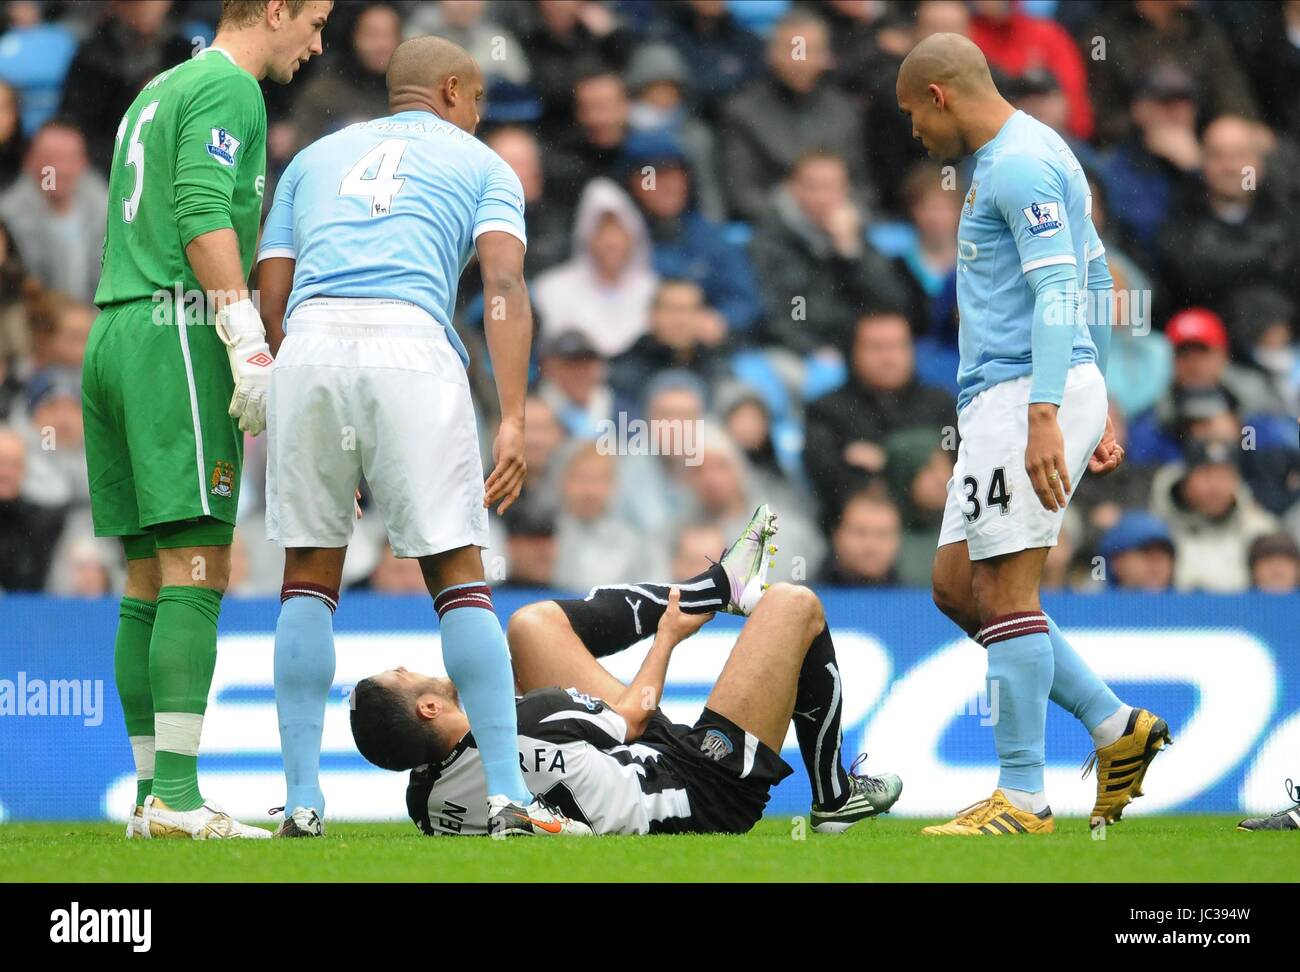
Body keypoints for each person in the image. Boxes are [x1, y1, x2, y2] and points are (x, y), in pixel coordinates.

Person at [256, 34, 569, 840]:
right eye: (479, 101)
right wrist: (514, 414)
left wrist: (316, 411)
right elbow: (501, 284)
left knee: (308, 578)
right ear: (455, 90)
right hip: (410, 342)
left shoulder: (314, 159)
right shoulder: (483, 165)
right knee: (458, 574)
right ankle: (506, 797)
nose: (480, 114)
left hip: (312, 340)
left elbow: (273, 296)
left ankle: (300, 802)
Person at [897, 33, 1170, 836]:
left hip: (1021, 394)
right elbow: (1093, 276)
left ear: (941, 95)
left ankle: (1022, 796)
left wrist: (1050, 411)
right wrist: (1099, 390)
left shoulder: (1014, 165)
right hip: (1025, 393)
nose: (915, 134)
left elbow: (1061, 288)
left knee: (1008, 592)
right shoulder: (1038, 151)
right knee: (956, 586)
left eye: (914, 116)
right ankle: (1117, 726)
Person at [82, 0, 332, 842]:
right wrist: (244, 335)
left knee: (148, 577)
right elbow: (199, 215)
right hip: (174, 332)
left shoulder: (158, 88)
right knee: (198, 563)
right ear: (274, 10)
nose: (318, 42)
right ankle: (180, 800)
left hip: (114, 328)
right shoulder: (234, 89)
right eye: (316, 20)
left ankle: (153, 794)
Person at [351, 508, 904, 836]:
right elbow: (635, 716)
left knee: (532, 626)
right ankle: (834, 797)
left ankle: (717, 588)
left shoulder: (421, 803)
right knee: (793, 604)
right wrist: (666, 639)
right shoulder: (533, 717)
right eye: (401, 675)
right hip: (703, 789)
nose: (409, 667)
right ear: (427, 708)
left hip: (625, 769)